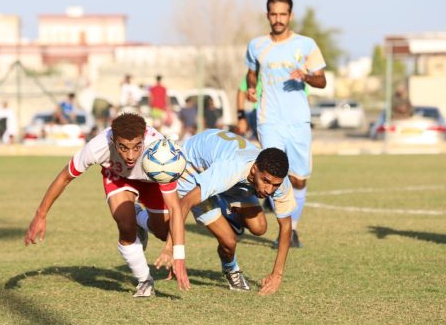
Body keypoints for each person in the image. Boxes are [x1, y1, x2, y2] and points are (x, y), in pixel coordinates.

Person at [24, 112, 190, 297]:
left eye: (137, 147)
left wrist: (178, 255)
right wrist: (40, 215)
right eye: (123, 148)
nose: (130, 155)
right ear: (113, 140)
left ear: (144, 139)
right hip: (119, 178)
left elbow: (175, 208)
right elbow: (64, 177)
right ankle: (144, 281)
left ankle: (138, 217)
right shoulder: (97, 147)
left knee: (163, 232)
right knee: (125, 226)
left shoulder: (160, 152)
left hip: (151, 184)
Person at [245, 0, 327, 248]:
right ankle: (276, 228)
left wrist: (306, 76)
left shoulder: (306, 44)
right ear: (267, 15)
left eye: (283, 14)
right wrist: (251, 88)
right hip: (269, 119)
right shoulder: (256, 45)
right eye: (274, 14)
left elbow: (322, 80)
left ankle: (293, 229)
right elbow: (251, 74)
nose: (278, 19)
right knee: (271, 172)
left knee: (299, 179)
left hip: (298, 121)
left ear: (290, 16)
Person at [177, 129, 295, 295]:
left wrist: (277, 274)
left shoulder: (279, 181)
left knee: (259, 227)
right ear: (254, 169)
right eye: (265, 181)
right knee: (229, 241)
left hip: (227, 178)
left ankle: (227, 213)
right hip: (192, 170)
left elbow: (286, 226)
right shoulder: (232, 168)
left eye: (275, 185)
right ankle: (231, 269)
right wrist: (173, 250)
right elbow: (184, 203)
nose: (269, 190)